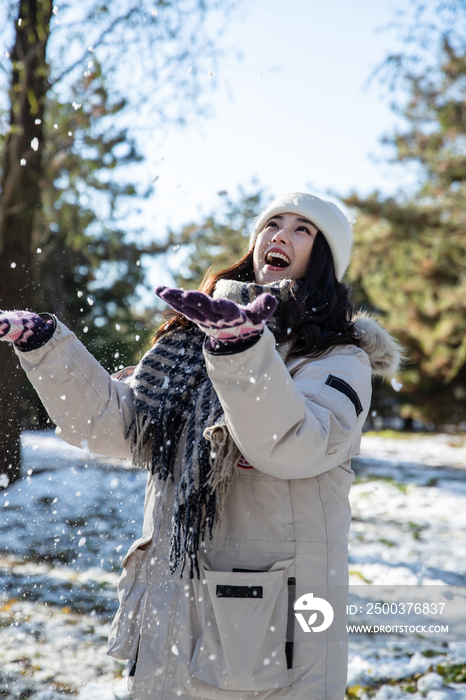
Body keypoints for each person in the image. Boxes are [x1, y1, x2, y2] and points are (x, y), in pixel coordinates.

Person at [1, 192, 402, 700]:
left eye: (302, 229)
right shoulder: (196, 341)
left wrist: (240, 351)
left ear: (325, 258)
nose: (278, 235)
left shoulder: (339, 359)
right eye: (271, 223)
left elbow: (288, 445)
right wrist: (47, 345)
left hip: (271, 638)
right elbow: (116, 427)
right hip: (172, 611)